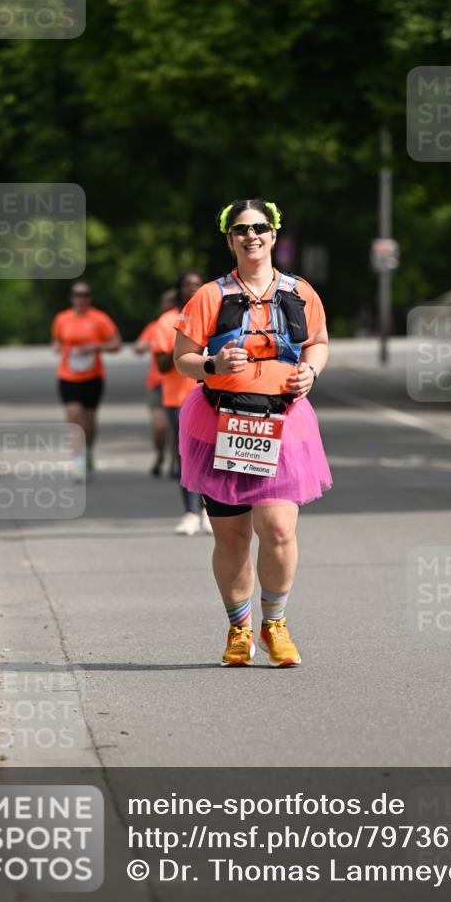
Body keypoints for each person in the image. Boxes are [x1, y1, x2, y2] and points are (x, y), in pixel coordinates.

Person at [173, 199, 331, 667]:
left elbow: (317, 343)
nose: (252, 236)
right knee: (233, 538)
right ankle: (239, 630)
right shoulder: (209, 295)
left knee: (279, 529)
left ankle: (275, 624)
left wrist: (311, 373)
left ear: (274, 234)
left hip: (283, 425)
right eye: (242, 230)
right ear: (230, 239)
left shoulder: (300, 291)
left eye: (260, 227)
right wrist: (211, 364)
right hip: (219, 423)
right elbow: (181, 357)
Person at [152, 271, 212, 536]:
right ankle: (189, 512)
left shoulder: (215, 314)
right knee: (185, 455)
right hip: (178, 398)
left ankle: (208, 510)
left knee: (212, 453)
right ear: (178, 290)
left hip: (212, 394)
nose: (192, 290)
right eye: (187, 286)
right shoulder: (167, 321)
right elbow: (162, 365)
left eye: (197, 285)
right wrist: (185, 347)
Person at [51, 281, 121, 476]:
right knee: (73, 416)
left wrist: (96, 347)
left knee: (89, 421)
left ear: (89, 298)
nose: (81, 298)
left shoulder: (99, 319)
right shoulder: (62, 318)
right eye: (77, 294)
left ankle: (89, 450)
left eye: (85, 294)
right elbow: (56, 340)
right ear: (71, 297)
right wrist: (57, 347)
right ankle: (78, 460)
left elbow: (116, 343)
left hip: (93, 376)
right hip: (68, 375)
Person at [134, 288, 177, 476]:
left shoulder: (183, 322)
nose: (169, 305)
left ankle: (176, 465)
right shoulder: (157, 326)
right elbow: (138, 347)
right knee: (160, 427)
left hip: (178, 385)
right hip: (157, 383)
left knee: (177, 429)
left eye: (172, 302)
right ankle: (160, 455)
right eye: (166, 302)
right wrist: (148, 345)